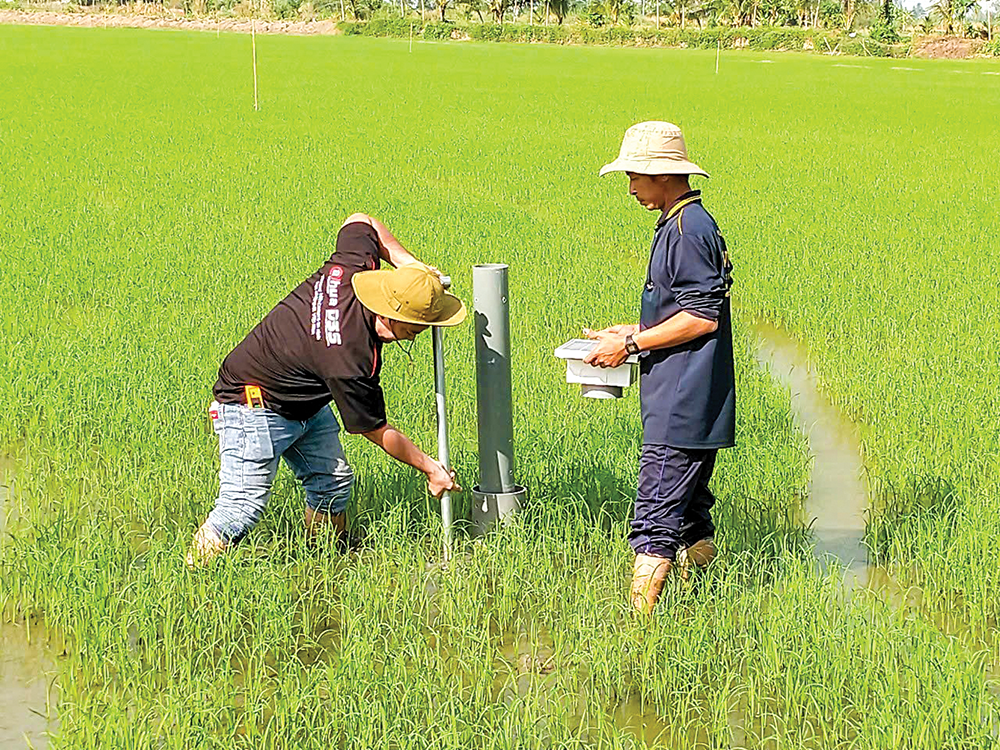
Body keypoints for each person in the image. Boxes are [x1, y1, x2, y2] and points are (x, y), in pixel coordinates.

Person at [187, 214, 465, 567]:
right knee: (240, 511)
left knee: (332, 486)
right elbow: (375, 429)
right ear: (399, 324)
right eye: (420, 326)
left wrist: (413, 270)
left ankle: (325, 565)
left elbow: (361, 220)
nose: (424, 331)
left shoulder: (352, 269)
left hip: (303, 398)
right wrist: (431, 469)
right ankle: (192, 575)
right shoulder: (349, 358)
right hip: (251, 404)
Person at [584, 122, 735, 614]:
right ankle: (707, 598)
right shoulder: (682, 223)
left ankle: (636, 631)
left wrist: (630, 343)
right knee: (690, 513)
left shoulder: (689, 232)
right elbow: (682, 309)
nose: (630, 188)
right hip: (692, 398)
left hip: (682, 402)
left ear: (663, 176)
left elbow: (700, 317)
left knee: (654, 518)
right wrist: (629, 329)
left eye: (635, 177)